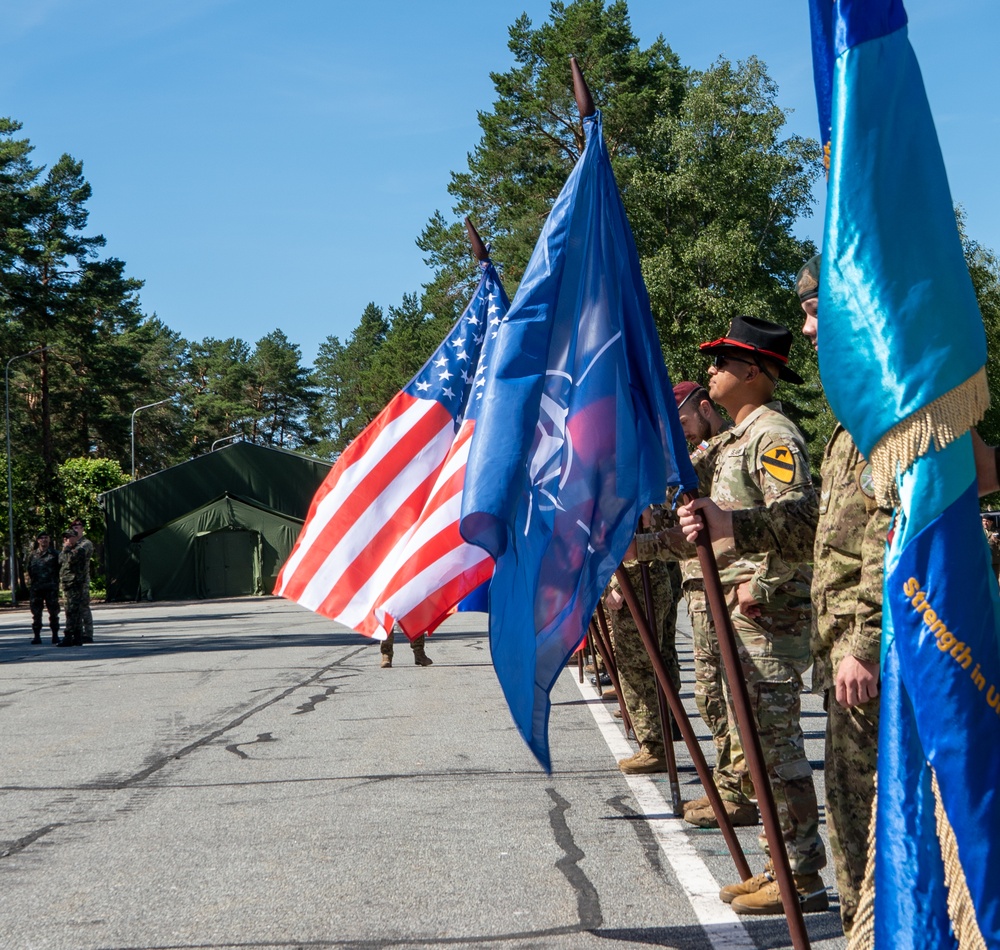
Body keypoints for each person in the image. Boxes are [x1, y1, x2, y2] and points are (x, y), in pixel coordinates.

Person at [652, 315, 827, 914]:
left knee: (776, 751)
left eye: (721, 363)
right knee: (753, 749)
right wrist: (640, 546)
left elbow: (805, 521)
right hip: (731, 614)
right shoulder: (730, 442)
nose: (710, 372)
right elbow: (701, 533)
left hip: (762, 618)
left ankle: (801, 874)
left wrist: (762, 579)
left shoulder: (773, 437)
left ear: (752, 372)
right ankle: (779, 861)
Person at [634, 383, 756, 827]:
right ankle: (730, 783)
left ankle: (741, 790)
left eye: (683, 421)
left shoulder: (752, 443)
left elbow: (774, 522)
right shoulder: (708, 453)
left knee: (732, 696)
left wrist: (755, 581)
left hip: (733, 588)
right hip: (701, 584)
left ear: (704, 408)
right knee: (713, 694)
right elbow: (683, 526)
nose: (681, 431)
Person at [603, 521, 682, 775]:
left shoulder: (622, 484)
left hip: (639, 584)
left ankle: (655, 747)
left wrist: (617, 585)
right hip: (650, 579)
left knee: (637, 669)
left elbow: (637, 528)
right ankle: (667, 725)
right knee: (658, 658)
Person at [27, 531, 60, 645]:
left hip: (51, 588)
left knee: (54, 613)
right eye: (41, 538)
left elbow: (59, 569)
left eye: (46, 538)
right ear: (38, 541)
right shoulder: (32, 555)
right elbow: (29, 570)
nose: (44, 540)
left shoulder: (55, 554)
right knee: (36, 613)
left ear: (49, 540)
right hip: (36, 589)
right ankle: (37, 636)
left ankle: (55, 635)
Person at [58, 530, 88, 648]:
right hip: (67, 585)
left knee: (72, 611)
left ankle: (69, 636)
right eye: (65, 537)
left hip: (75, 584)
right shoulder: (64, 551)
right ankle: (77, 636)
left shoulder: (79, 550)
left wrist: (66, 549)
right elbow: (60, 561)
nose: (67, 540)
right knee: (71, 611)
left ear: (76, 538)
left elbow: (70, 560)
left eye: (69, 537)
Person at [70, 518, 94, 642]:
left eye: (79, 526)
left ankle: (88, 633)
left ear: (83, 528)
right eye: (74, 526)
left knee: (84, 606)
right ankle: (76, 632)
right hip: (71, 580)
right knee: (72, 607)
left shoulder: (86, 543)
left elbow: (78, 555)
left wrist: (68, 547)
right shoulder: (70, 543)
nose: (76, 528)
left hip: (82, 580)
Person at [983, 515, 1000, 585]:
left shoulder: (996, 531)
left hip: (994, 561)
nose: (985, 523)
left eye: (987, 521)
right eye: (983, 521)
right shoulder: (979, 532)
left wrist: (997, 541)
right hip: (983, 561)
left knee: (994, 581)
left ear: (991, 522)